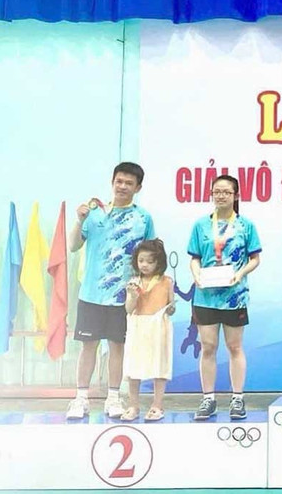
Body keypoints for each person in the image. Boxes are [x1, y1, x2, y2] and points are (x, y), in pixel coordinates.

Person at [67, 162, 156, 420]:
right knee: (88, 346)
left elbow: (151, 257)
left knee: (117, 347)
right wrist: (79, 220)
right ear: (112, 182)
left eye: (129, 183)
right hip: (92, 293)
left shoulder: (144, 218)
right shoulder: (94, 214)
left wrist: (145, 290)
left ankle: (114, 398)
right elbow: (73, 246)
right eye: (119, 181)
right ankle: (81, 398)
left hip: (124, 297)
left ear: (138, 188)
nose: (123, 186)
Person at [189, 175, 262, 420]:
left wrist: (240, 274)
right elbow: (195, 257)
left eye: (226, 192)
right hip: (205, 297)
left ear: (236, 196)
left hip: (234, 296)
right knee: (208, 347)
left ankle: (237, 398)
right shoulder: (200, 225)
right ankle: (208, 399)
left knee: (235, 346)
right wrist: (196, 274)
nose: (221, 196)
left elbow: (255, 259)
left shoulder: (246, 225)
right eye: (216, 191)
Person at [121, 239, 175, 422]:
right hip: (137, 327)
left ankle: (157, 406)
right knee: (133, 368)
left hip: (159, 327)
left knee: (159, 367)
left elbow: (171, 307)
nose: (144, 265)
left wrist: (171, 308)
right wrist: (132, 296)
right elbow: (129, 309)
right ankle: (133, 405)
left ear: (159, 262)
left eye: (150, 261)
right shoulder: (133, 282)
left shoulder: (167, 281)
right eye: (141, 260)